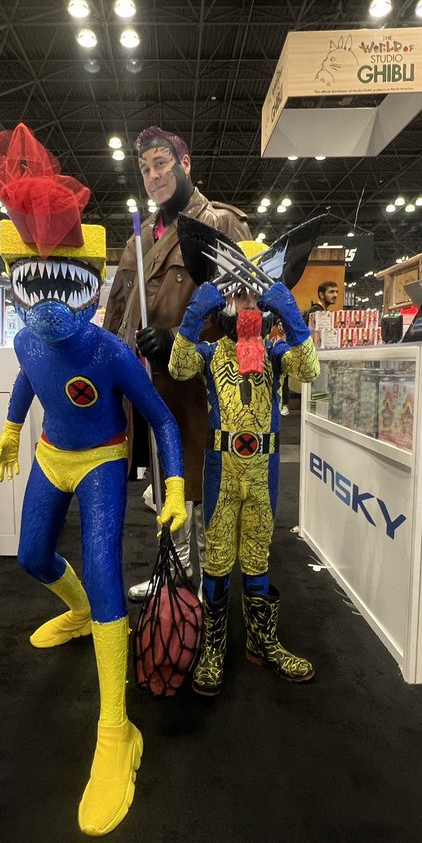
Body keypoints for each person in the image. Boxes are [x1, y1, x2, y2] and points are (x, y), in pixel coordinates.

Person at [0, 123, 187, 836]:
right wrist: (12, 428)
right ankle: (76, 613)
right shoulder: (25, 337)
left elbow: (160, 417)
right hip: (50, 453)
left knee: (105, 573)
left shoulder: (110, 352)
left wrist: (176, 485)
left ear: (88, 282)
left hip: (101, 458)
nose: (45, 307)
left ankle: (116, 730)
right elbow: (28, 375)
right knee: (32, 557)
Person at [168, 214, 323, 696]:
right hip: (221, 468)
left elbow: (310, 371)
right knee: (217, 559)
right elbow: (177, 366)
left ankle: (262, 641)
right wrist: (194, 313)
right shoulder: (213, 353)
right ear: (224, 299)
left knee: (257, 556)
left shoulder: (275, 355)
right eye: (237, 294)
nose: (247, 303)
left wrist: (292, 315)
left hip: (263, 472)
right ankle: (214, 646)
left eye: (256, 295)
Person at [101, 125, 251, 601]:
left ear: (185, 164)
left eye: (162, 163)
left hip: (203, 388)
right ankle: (176, 569)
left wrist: (182, 341)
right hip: (150, 386)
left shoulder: (221, 223)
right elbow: (118, 310)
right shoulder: (141, 237)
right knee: (166, 481)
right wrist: (109, 362)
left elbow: (245, 317)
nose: (153, 175)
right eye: (145, 168)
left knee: (205, 482)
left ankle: (212, 580)